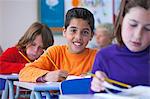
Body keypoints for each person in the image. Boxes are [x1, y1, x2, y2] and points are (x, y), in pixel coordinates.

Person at [19, 7, 97, 83]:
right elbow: (24, 72)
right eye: (73, 30)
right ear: (64, 32)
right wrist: (46, 76)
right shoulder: (55, 53)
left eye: (85, 32)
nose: (78, 37)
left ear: (91, 35)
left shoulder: (98, 56)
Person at [90, 0, 150, 93]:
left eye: (148, 28)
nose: (138, 35)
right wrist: (97, 85)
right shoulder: (104, 56)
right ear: (121, 20)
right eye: (133, 25)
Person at [0, 22, 54, 90]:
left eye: (41, 47)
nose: (35, 50)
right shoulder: (14, 51)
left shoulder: (45, 58)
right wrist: (25, 67)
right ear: (27, 40)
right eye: (33, 44)